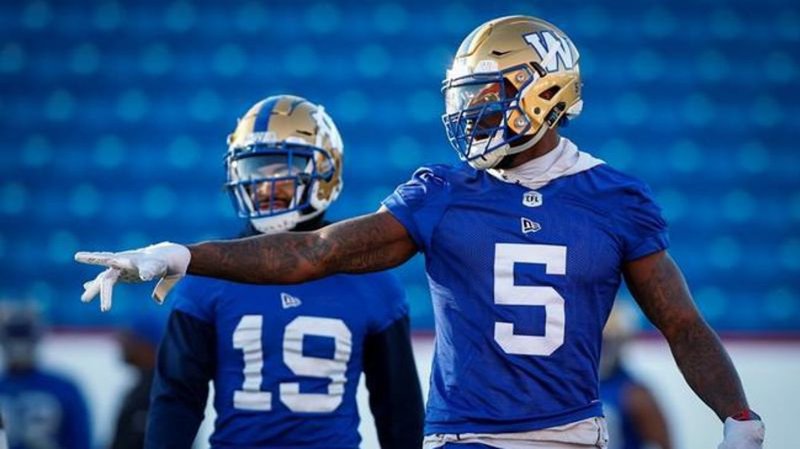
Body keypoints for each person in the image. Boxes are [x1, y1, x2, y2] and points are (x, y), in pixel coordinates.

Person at [75, 16, 765, 449]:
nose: (471, 114)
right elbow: (316, 251)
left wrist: (736, 413)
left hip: (574, 433)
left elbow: (680, 321)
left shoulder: (615, 198)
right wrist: (183, 254)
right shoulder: (443, 192)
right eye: (467, 98)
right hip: (466, 437)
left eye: (488, 96)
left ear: (543, 93)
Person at [141, 95, 424, 448]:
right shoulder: (207, 275)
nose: (265, 186)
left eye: (282, 169)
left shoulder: (371, 280)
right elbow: (176, 399)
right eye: (254, 169)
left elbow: (399, 411)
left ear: (326, 172)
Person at [0, 305, 92, 449]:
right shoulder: (64, 388)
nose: (19, 347)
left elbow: (80, 441)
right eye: (14, 338)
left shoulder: (64, 389)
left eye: (24, 338)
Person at [600, 302, 672, 449]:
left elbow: (665, 444)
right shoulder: (570, 385)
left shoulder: (635, 394)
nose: (603, 348)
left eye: (609, 341)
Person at [109, 312, 166, 449]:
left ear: (146, 346)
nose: (123, 344)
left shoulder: (160, 394)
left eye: (130, 339)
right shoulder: (146, 389)